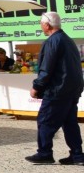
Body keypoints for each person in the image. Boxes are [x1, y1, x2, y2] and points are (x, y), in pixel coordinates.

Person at [26, 13, 84, 165]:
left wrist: (36, 86)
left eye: (41, 23)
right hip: (72, 89)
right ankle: (77, 155)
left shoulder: (53, 41)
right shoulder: (68, 40)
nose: (40, 25)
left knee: (45, 120)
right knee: (69, 122)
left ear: (47, 25)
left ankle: (44, 153)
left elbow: (47, 68)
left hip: (58, 89)